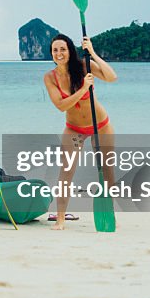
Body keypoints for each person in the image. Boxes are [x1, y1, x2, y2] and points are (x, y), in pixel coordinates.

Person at [43, 33, 118, 230]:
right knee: (66, 173)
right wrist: (84, 87)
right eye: (55, 50)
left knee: (107, 172)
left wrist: (92, 52)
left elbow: (112, 77)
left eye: (63, 49)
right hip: (74, 129)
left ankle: (109, 214)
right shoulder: (50, 77)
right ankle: (60, 219)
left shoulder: (85, 65)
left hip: (100, 126)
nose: (59, 53)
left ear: (70, 51)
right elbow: (61, 105)